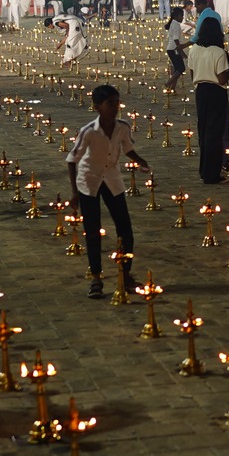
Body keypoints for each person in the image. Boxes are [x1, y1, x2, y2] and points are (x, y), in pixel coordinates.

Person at [67, 84, 152, 300]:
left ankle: (125, 273)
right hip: (89, 180)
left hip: (112, 180)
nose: (115, 108)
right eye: (110, 104)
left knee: (125, 227)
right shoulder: (89, 132)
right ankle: (96, 277)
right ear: (97, 107)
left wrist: (139, 160)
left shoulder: (122, 127)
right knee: (93, 230)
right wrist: (75, 192)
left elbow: (127, 148)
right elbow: (72, 160)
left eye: (117, 103)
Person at [188, 15, 229, 184]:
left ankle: (204, 169)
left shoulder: (194, 49)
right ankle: (212, 174)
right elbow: (222, 79)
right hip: (216, 92)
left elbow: (192, 73)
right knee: (215, 133)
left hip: (201, 91)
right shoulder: (219, 52)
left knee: (204, 131)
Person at [163, 6, 189, 91]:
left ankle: (172, 87)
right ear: (176, 16)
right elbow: (175, 39)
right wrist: (181, 52)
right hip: (174, 49)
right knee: (181, 68)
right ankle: (168, 83)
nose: (182, 18)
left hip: (171, 48)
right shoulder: (176, 25)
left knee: (176, 68)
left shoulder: (173, 23)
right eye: (181, 16)